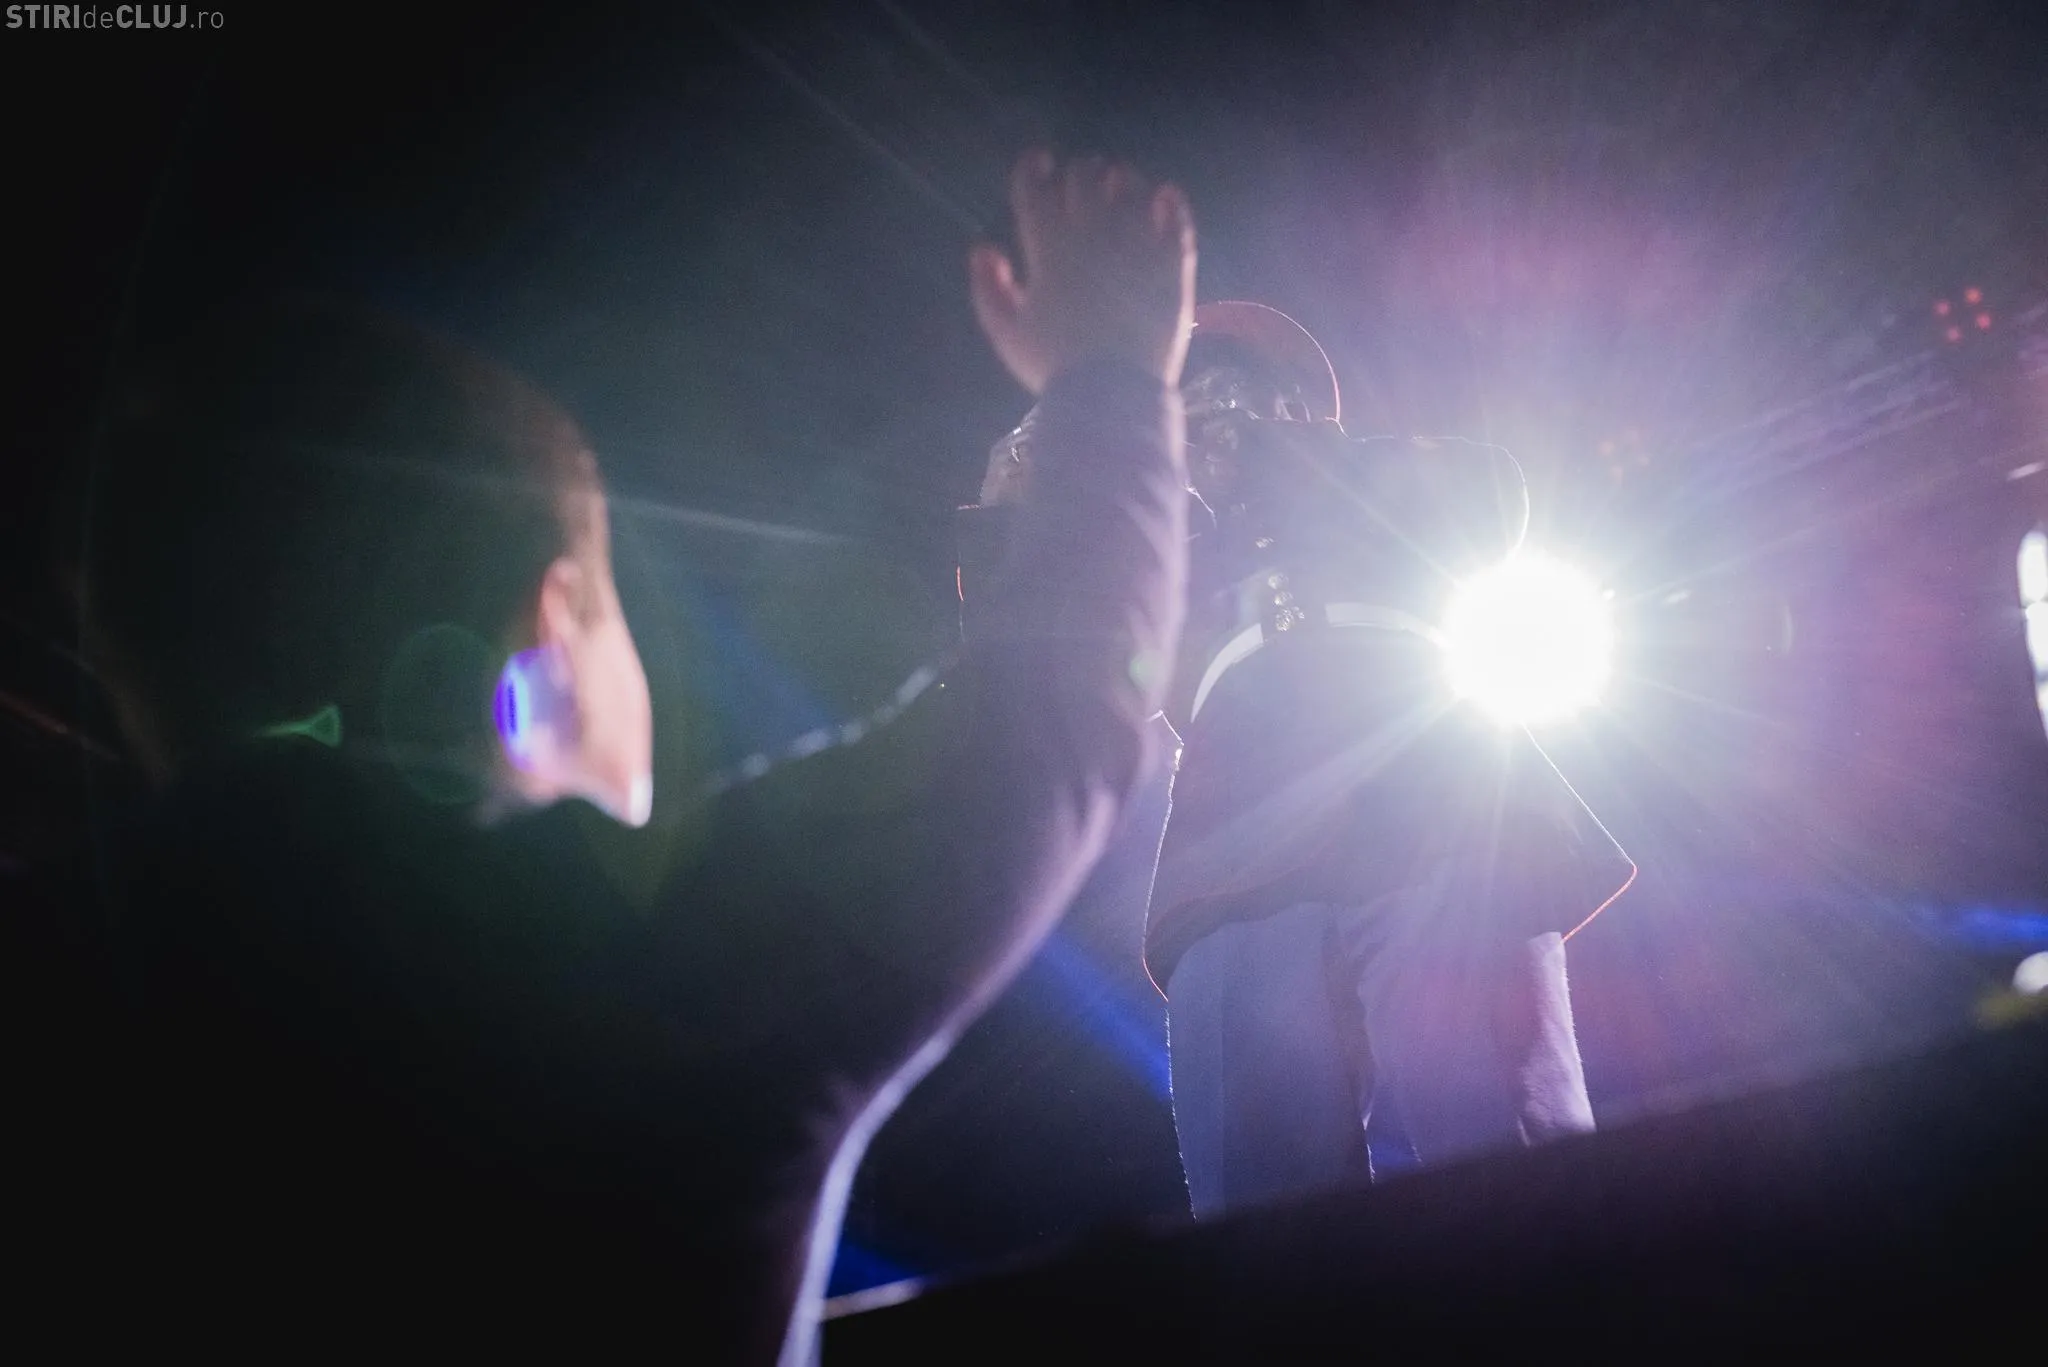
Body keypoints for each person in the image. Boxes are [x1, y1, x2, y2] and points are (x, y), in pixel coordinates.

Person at [4, 150, 1194, 1363]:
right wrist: (1110, 375)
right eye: (625, 614)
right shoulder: (643, 974)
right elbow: (1044, 731)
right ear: (551, 632)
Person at [966, 301, 1633, 1222]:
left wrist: (1276, 454)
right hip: (1231, 862)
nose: (1203, 415)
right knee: (1262, 1212)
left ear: (1293, 408)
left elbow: (1491, 493)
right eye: (1189, 401)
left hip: (1435, 812)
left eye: (1225, 391)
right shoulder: (1175, 557)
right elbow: (1045, 660)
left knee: (1508, 1141)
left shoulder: (1379, 487)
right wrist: (1013, 514)